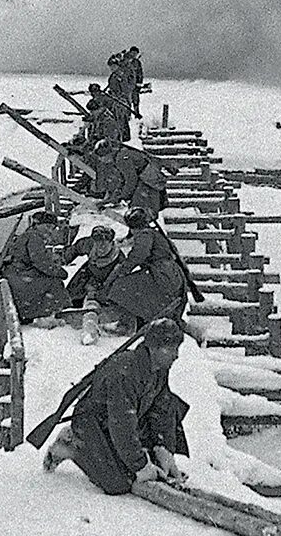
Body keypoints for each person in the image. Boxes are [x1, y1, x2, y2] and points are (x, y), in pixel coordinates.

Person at [42, 318, 189, 495]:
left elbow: (162, 410)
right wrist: (140, 465)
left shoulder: (159, 368)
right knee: (118, 483)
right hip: (93, 424)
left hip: (124, 420)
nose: (176, 355)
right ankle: (72, 444)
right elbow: (122, 424)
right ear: (153, 348)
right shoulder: (124, 372)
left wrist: (164, 448)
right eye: (171, 349)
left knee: (172, 404)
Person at [88, 207, 188, 341]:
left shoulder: (145, 234)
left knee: (121, 286)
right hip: (166, 272)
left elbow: (138, 256)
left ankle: (126, 325)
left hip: (162, 274)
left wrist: (121, 271)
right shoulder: (150, 232)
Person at [0, 211, 68, 324]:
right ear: (38, 225)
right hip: (18, 277)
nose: (49, 231)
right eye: (47, 226)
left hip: (13, 274)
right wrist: (59, 271)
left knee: (45, 280)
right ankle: (44, 315)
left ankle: (31, 312)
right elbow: (41, 262)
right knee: (54, 283)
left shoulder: (28, 234)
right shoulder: (35, 238)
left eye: (52, 228)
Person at [93, 140, 170, 216]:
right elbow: (123, 179)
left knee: (139, 209)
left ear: (106, 154)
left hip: (148, 182)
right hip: (146, 179)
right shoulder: (120, 155)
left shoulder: (121, 159)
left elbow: (131, 180)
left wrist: (122, 196)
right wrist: (117, 192)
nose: (101, 160)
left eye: (101, 157)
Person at [63, 225, 124, 309]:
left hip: (107, 279)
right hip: (88, 273)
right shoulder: (88, 244)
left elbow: (116, 279)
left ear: (111, 243)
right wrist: (63, 259)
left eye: (104, 245)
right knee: (70, 297)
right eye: (97, 243)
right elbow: (74, 249)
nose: (100, 247)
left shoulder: (120, 259)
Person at [122, 47, 144, 113]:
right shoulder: (124, 60)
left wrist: (139, 83)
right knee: (126, 101)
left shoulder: (137, 62)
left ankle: (136, 114)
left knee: (135, 101)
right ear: (130, 52)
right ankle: (126, 116)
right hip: (125, 85)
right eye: (133, 53)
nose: (134, 55)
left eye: (136, 53)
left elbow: (140, 73)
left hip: (134, 85)